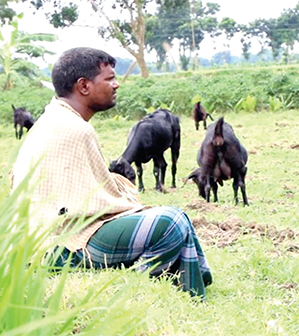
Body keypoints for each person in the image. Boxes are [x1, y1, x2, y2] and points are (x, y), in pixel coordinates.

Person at [11, 47, 212, 298]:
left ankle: (192, 288)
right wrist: (128, 193)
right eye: (109, 79)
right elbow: (100, 202)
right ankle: (139, 287)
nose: (116, 85)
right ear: (84, 86)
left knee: (173, 218)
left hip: (42, 237)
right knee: (171, 221)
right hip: (61, 244)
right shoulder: (75, 129)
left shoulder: (51, 120)